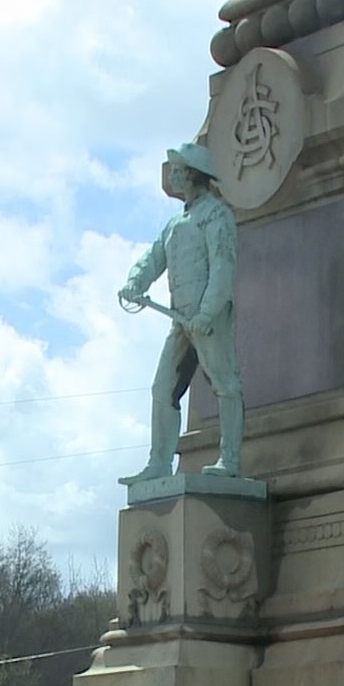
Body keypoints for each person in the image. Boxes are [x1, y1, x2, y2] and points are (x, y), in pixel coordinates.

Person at [117, 142, 243, 484]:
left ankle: (229, 459)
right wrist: (135, 281)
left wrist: (206, 313)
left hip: (207, 319)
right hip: (179, 319)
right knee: (163, 389)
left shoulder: (216, 216)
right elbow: (154, 257)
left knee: (224, 384)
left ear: (192, 174)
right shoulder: (176, 223)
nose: (171, 175)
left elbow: (222, 267)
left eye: (177, 170)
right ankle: (159, 463)